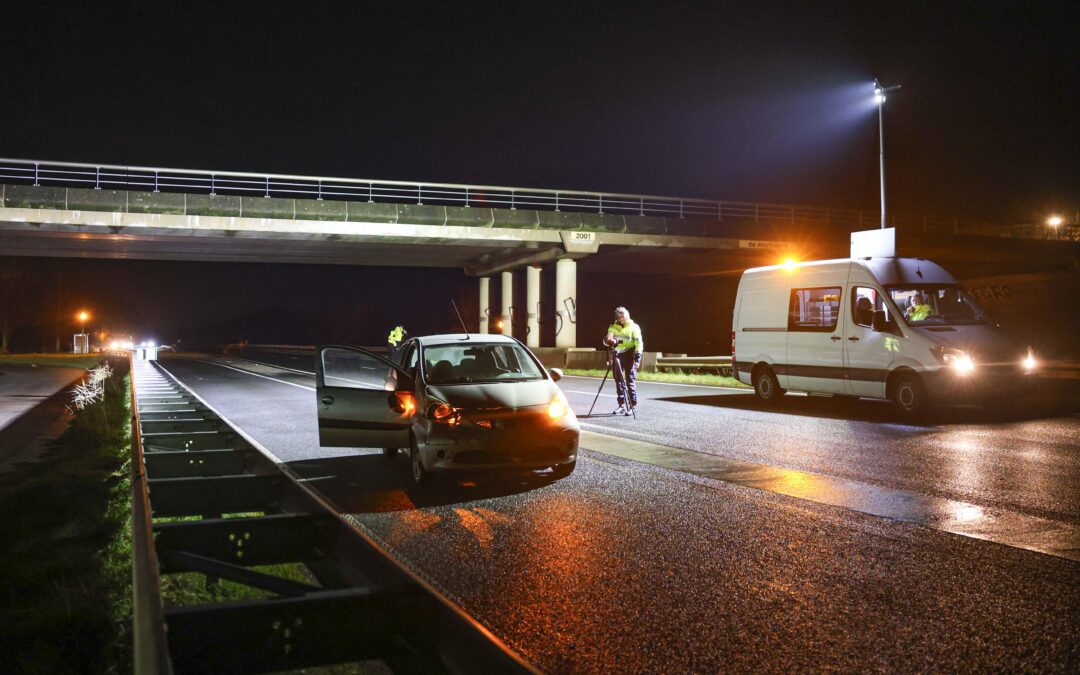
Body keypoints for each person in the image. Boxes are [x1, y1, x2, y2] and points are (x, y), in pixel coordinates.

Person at [604, 306, 644, 415]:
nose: (621, 318)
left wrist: (637, 359)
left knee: (629, 379)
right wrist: (609, 340)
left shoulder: (634, 327)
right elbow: (608, 340)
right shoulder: (612, 327)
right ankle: (621, 405)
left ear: (627, 315)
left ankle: (633, 406)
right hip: (617, 354)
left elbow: (638, 343)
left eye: (623, 316)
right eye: (619, 317)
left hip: (630, 354)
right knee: (618, 380)